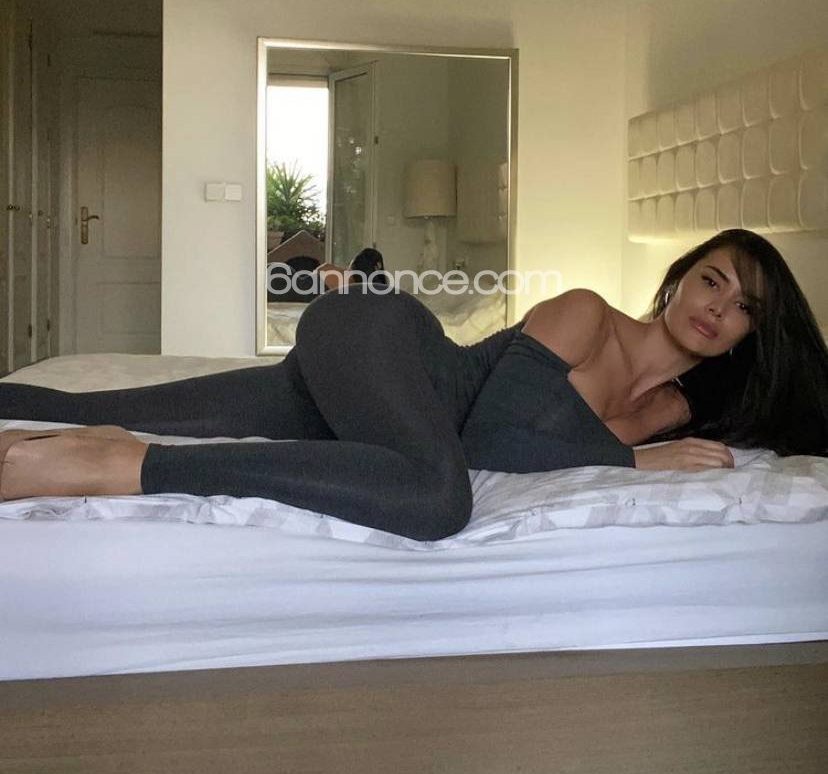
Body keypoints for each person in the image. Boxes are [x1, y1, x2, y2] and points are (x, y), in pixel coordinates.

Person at [1, 229, 826, 541]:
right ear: (680, 275)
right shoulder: (586, 314)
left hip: (347, 409)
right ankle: (126, 465)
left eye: (744, 308)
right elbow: (488, 440)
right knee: (437, 499)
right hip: (377, 336)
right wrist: (633, 462)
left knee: (78, 405)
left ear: (752, 336)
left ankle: (101, 435)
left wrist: (650, 448)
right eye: (711, 280)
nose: (717, 308)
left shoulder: (674, 412)